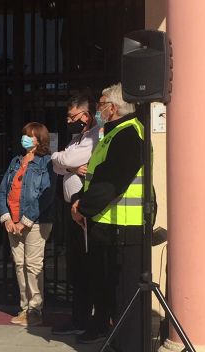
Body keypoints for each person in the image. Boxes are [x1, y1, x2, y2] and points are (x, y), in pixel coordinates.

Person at [71, 83, 145, 349]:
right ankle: (116, 341)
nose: (98, 110)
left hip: (124, 228)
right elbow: (97, 177)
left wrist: (83, 208)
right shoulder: (113, 133)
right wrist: (80, 199)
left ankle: (127, 346)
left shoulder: (128, 134)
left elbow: (111, 182)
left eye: (101, 105)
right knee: (112, 292)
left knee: (125, 297)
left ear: (112, 108)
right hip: (109, 225)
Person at [49, 94, 101, 336]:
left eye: (73, 116)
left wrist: (64, 162)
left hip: (84, 210)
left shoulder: (94, 137)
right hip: (69, 207)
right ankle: (78, 316)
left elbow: (64, 158)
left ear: (86, 115)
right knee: (75, 267)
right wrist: (68, 165)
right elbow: (57, 163)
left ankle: (89, 318)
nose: (69, 120)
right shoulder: (75, 138)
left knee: (87, 267)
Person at [0, 122, 56, 327]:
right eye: (24, 135)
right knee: (20, 265)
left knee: (33, 265)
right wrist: (6, 217)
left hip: (36, 222)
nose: (26, 139)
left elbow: (46, 195)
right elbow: (3, 190)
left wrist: (25, 220)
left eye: (30, 135)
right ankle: (24, 307)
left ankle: (35, 309)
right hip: (12, 222)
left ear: (39, 139)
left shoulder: (46, 162)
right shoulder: (16, 161)